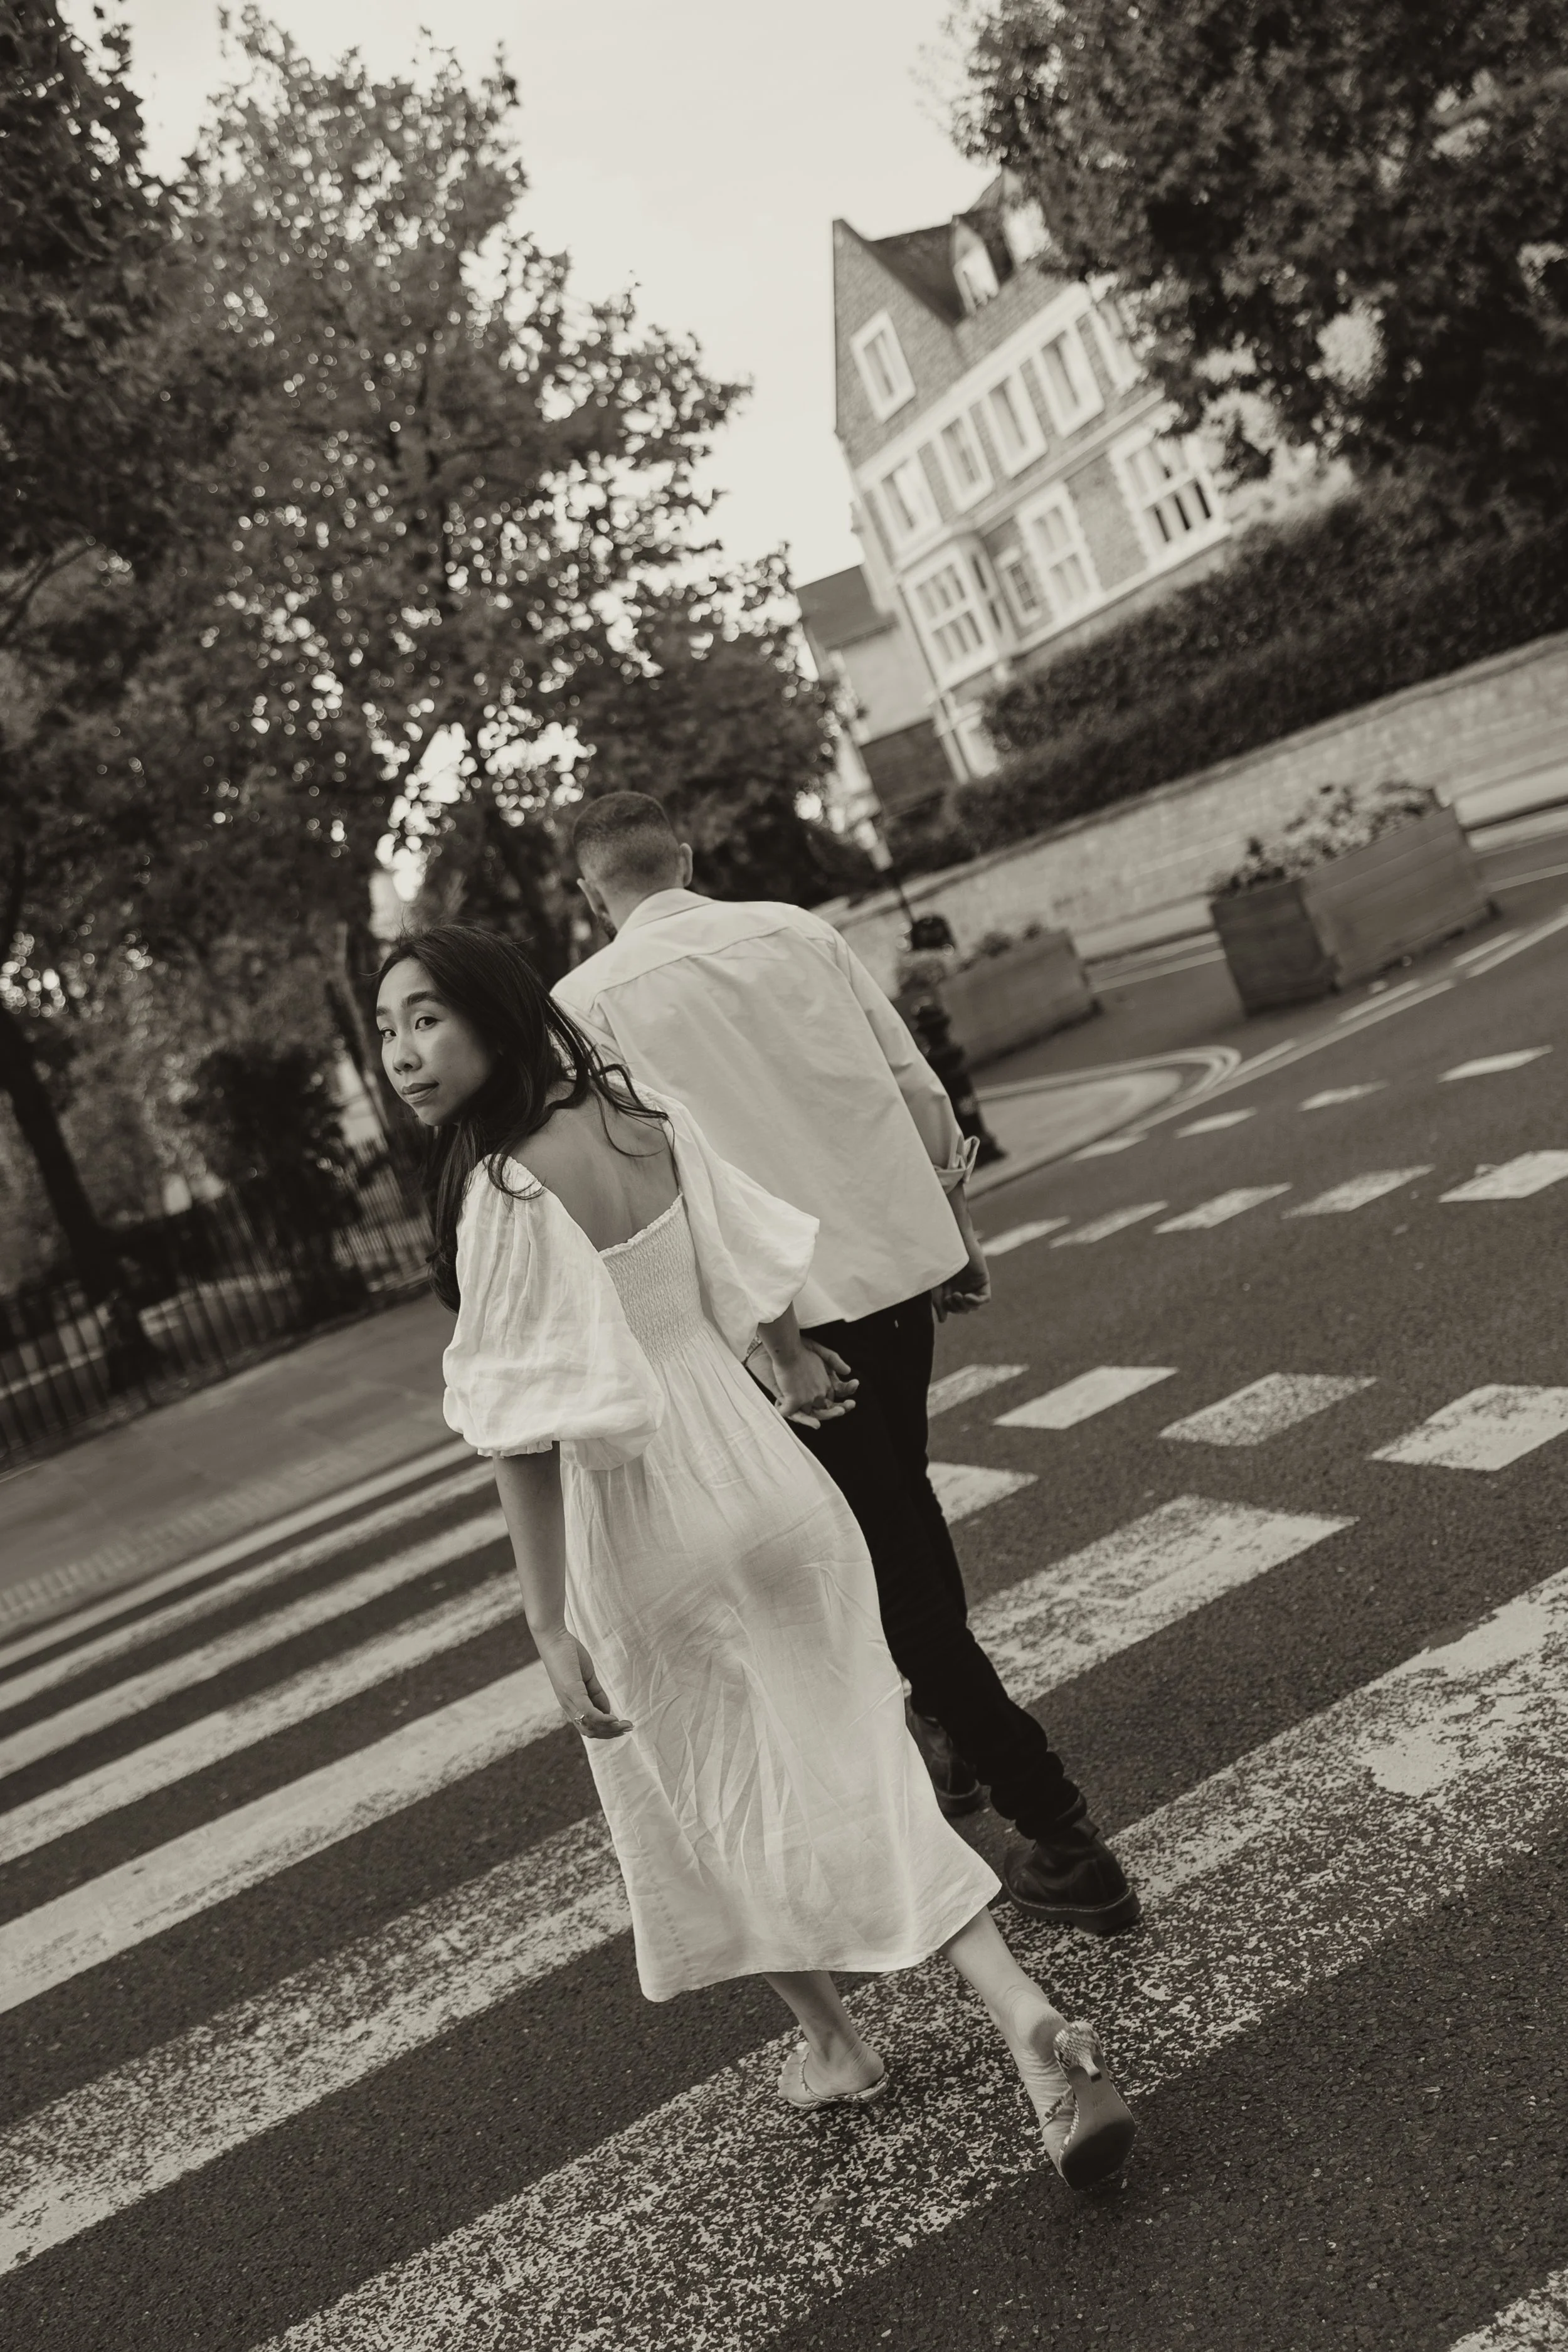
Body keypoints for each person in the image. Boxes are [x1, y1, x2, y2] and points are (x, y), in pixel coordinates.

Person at [374, 923, 1136, 2191]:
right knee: (861, 1757)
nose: (403, 1055)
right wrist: (784, 1360)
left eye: (426, 1022)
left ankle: (834, 2043)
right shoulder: (634, 1113)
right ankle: (1021, 2016)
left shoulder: (502, 1190)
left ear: (494, 1018)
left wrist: (545, 1621)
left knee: (701, 1795)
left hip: (641, 1520)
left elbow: (525, 1427)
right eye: (387, 1030)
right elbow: (749, 1248)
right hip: (769, 1476)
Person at [553, 792, 1138, 1936]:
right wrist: (955, 1237)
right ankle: (959, 1751)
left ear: (591, 892)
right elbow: (916, 1087)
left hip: (784, 1334)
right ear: (687, 853)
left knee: (901, 1584)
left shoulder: (585, 1005)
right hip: (890, 1289)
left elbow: (659, 1181)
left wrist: (763, 1337)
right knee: (902, 1520)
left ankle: (1064, 1832)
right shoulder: (796, 930)